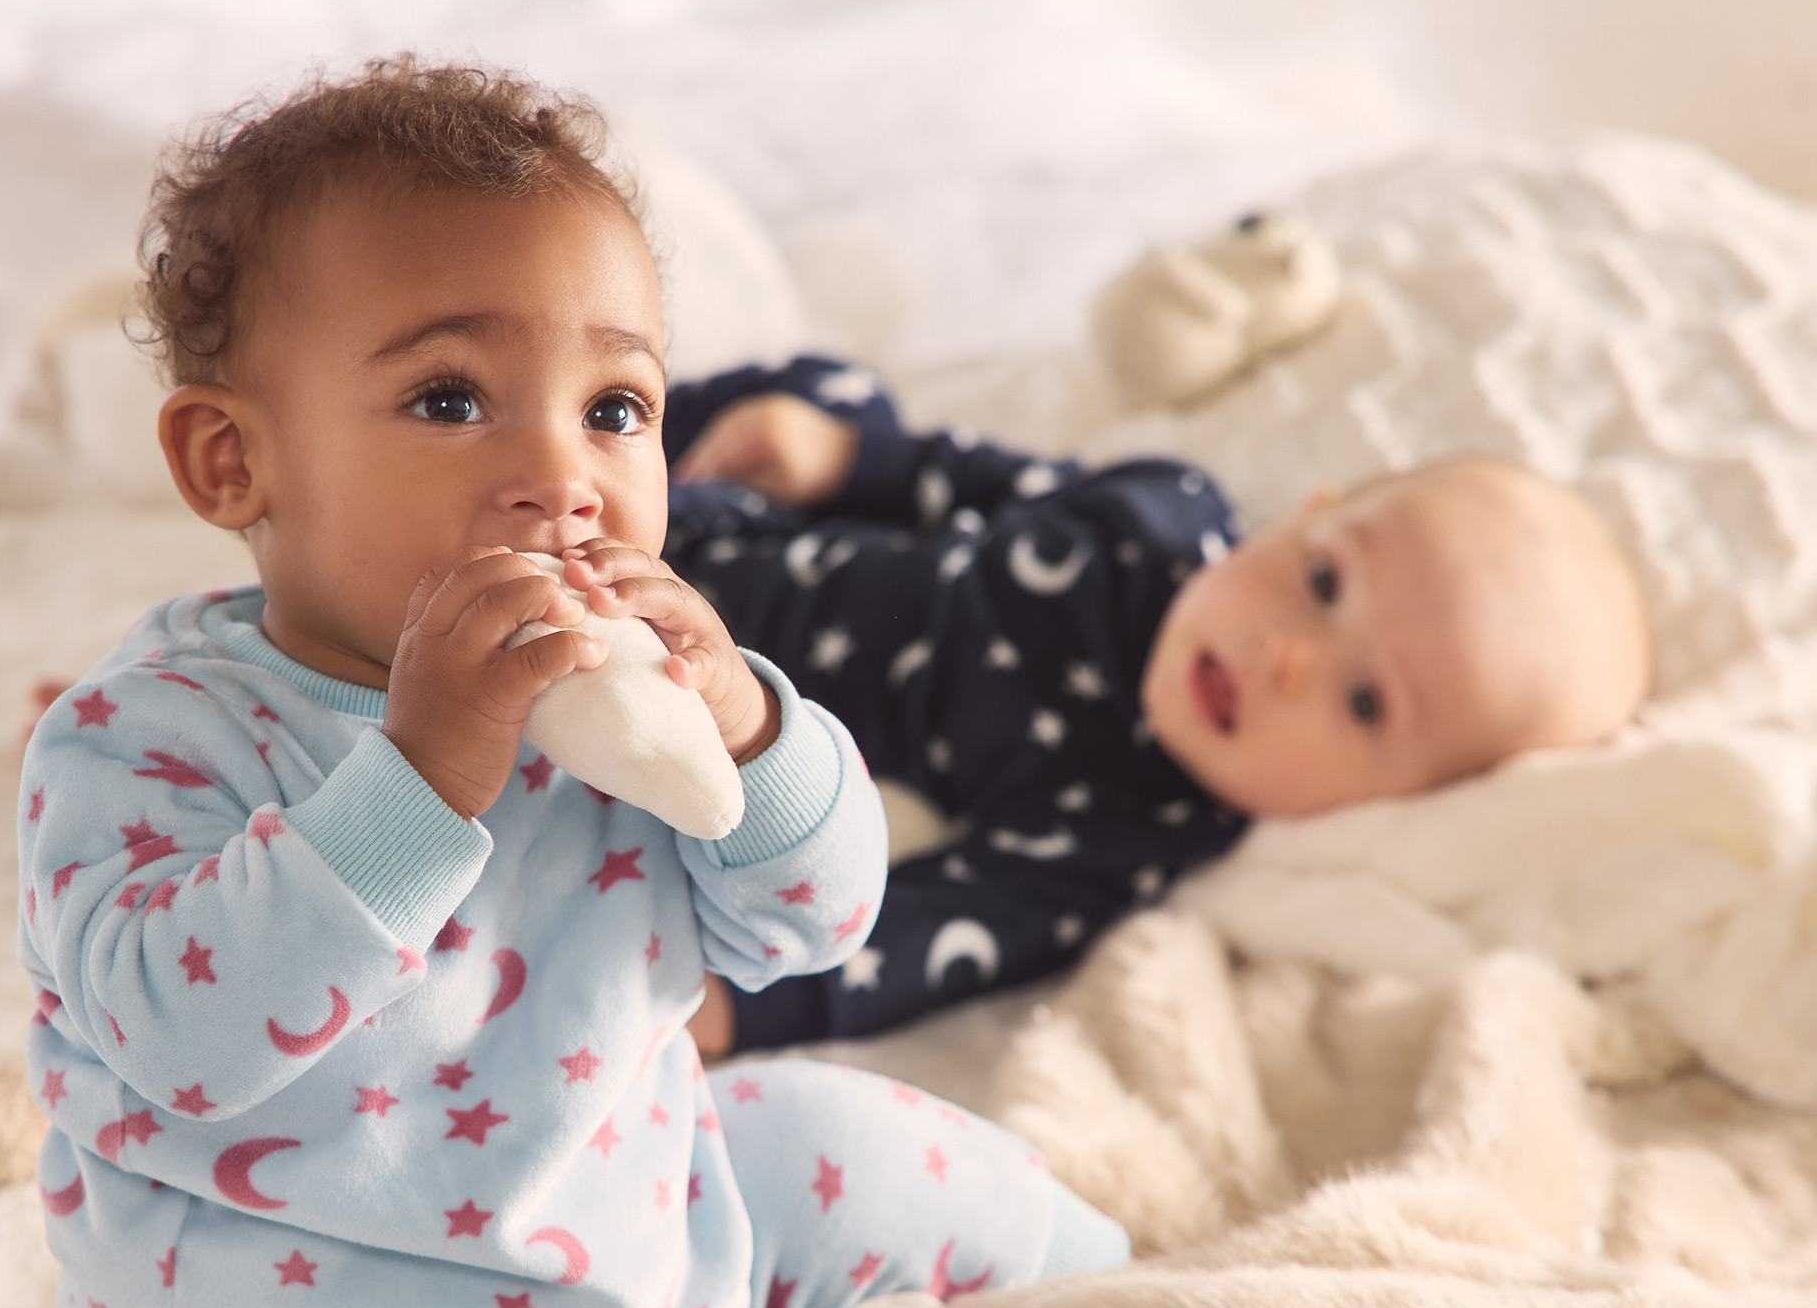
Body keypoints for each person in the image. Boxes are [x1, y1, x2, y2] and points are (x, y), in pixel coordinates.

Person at [18, 59, 1350, 1308]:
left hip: (660, 1262)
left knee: (852, 1138)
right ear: (232, 459)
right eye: (450, 396)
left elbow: (815, 919)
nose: (559, 474)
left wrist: (742, 721)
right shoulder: (143, 745)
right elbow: (184, 1032)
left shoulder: (626, 698)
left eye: (618, 403)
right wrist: (417, 773)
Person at [660, 366, 1652, 1055]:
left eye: (1363, 701)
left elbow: (953, 926)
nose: (1287, 659)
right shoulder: (1167, 510)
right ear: (1308, 512)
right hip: (740, 518)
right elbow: (979, 480)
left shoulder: (1139, 818)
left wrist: (743, 1013)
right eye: (1321, 579)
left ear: (1386, 802)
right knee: (819, 391)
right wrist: (845, 458)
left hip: (712, 685)